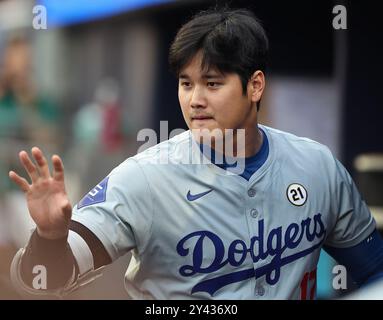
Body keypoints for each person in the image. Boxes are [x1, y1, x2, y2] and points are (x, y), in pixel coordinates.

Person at [8, 8, 383, 299]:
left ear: (255, 86)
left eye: (212, 83)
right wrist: (50, 237)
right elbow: (41, 282)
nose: (195, 100)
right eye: (186, 84)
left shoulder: (317, 166)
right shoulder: (145, 178)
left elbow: (374, 270)